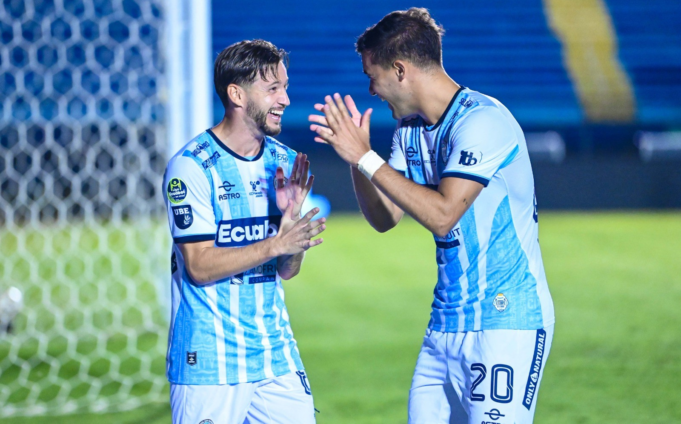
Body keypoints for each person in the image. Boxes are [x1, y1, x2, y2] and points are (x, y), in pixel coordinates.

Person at [309, 8, 555, 423]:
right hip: (444, 325)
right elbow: (386, 217)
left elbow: (443, 215)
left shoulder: (482, 121)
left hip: (504, 321)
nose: (371, 89)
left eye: (373, 76)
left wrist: (366, 157)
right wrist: (356, 161)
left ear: (400, 70)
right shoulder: (410, 130)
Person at [164, 39, 324, 424]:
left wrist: (292, 232)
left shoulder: (284, 162)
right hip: (209, 360)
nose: (285, 99)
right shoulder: (191, 167)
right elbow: (199, 266)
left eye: (285, 87)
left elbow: (287, 270)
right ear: (236, 94)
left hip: (275, 354)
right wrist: (275, 243)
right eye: (273, 89)